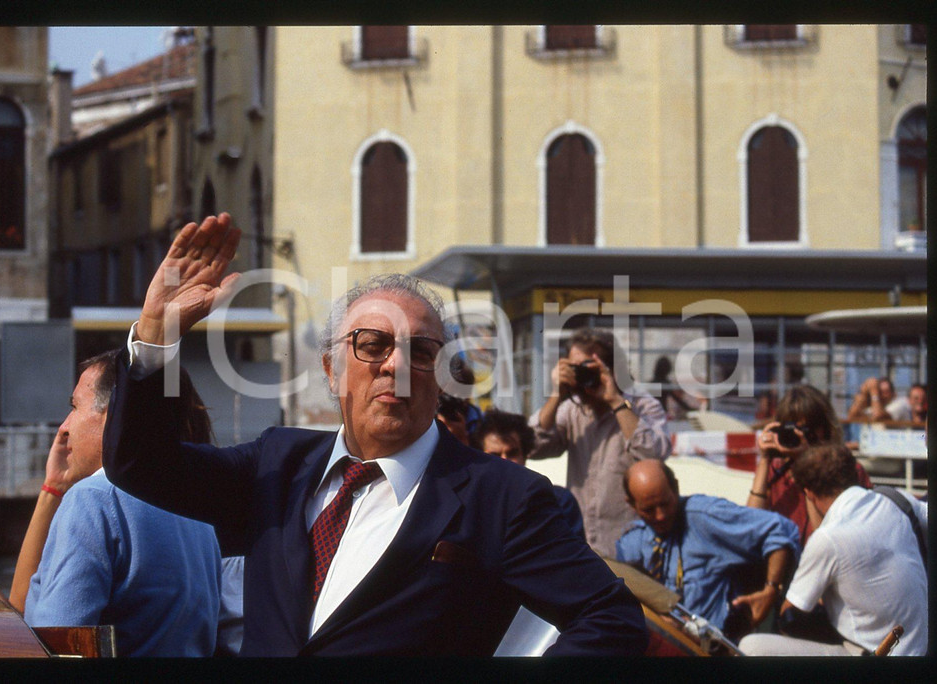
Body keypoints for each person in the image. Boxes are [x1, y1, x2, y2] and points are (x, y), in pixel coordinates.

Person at [101, 213, 648, 656]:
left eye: (422, 351)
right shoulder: (277, 464)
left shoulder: (501, 497)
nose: (395, 366)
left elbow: (609, 617)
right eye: (372, 344)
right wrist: (155, 337)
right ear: (332, 369)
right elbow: (140, 465)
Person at [22, 351, 222, 657]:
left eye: (74, 407)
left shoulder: (94, 499)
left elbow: (56, 646)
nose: (64, 426)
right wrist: (55, 487)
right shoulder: (195, 508)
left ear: (113, 415)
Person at [739, 445, 927, 656]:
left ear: (808, 492)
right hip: (922, 647)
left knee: (751, 646)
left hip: (872, 653)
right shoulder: (893, 499)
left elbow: (790, 617)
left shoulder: (827, 539)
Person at [616, 461, 799, 642]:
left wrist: (771, 589)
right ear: (632, 505)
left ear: (676, 488)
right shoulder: (629, 544)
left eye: (665, 504)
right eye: (649, 510)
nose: (660, 515)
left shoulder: (704, 516)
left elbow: (780, 530)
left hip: (713, 648)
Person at [529, 327, 671, 558]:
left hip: (630, 547)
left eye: (589, 368)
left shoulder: (643, 406)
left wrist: (615, 401)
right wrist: (556, 395)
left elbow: (653, 456)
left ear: (613, 368)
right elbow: (532, 446)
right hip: (583, 546)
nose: (584, 377)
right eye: (576, 369)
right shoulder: (571, 410)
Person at [747, 385, 872, 548]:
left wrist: (807, 465)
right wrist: (764, 459)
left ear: (825, 429)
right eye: (792, 429)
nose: (800, 436)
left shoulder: (848, 471)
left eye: (807, 429)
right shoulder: (776, 470)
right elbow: (750, 525)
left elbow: (823, 541)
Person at [471, 408, 585, 541]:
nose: (505, 461)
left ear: (525, 455)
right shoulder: (471, 506)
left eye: (512, 453)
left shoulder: (559, 502)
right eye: (495, 455)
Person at [650, 355, 701, 421]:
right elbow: (678, 400)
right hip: (661, 413)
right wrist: (691, 409)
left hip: (652, 414)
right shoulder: (666, 384)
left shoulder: (652, 383)